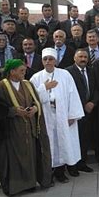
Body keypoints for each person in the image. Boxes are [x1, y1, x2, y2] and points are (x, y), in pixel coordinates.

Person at [0, 59, 53, 195]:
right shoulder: (0, 86)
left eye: (24, 71)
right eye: (21, 71)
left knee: (31, 156)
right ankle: (16, 187)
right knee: (15, 159)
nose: (24, 73)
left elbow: (36, 101)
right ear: (12, 72)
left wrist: (34, 108)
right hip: (12, 130)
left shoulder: (28, 84)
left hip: (30, 128)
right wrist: (14, 111)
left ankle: (30, 184)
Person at [30, 48, 84, 183]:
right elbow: (32, 98)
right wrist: (44, 88)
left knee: (63, 143)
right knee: (50, 144)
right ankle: (49, 173)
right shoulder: (36, 77)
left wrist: (73, 114)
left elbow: (73, 94)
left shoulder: (65, 74)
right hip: (46, 116)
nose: (48, 62)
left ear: (56, 61)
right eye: (45, 59)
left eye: (51, 59)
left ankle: (61, 172)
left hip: (63, 115)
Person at [66, 49, 97, 174]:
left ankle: (82, 163)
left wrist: (93, 102)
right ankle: (72, 166)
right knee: (74, 139)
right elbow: (68, 93)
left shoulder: (91, 71)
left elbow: (96, 89)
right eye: (80, 57)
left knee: (84, 138)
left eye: (85, 56)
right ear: (74, 58)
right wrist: (82, 105)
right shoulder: (68, 72)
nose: (83, 59)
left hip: (89, 111)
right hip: (75, 111)